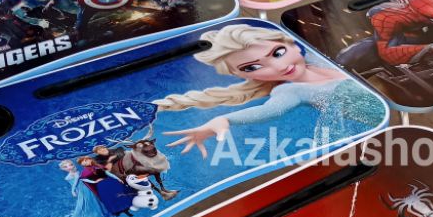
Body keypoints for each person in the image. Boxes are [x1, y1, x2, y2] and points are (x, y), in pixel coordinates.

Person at [153, 23, 386, 156]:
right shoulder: (291, 91)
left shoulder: (317, 57)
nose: (279, 66)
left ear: (290, 44)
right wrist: (225, 119)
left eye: (277, 53)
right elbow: (268, 111)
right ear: (244, 76)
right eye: (253, 67)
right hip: (382, 131)